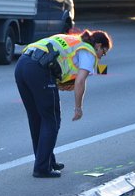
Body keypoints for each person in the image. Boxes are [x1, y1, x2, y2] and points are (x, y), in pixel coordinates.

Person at [14, 30, 112, 178]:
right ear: (98, 45)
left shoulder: (71, 39)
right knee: (51, 120)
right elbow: (80, 81)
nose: (101, 56)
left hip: (22, 64)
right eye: (103, 52)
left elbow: (57, 61)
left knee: (37, 118)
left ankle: (47, 161)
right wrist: (78, 108)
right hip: (39, 70)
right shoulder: (88, 51)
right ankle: (41, 168)